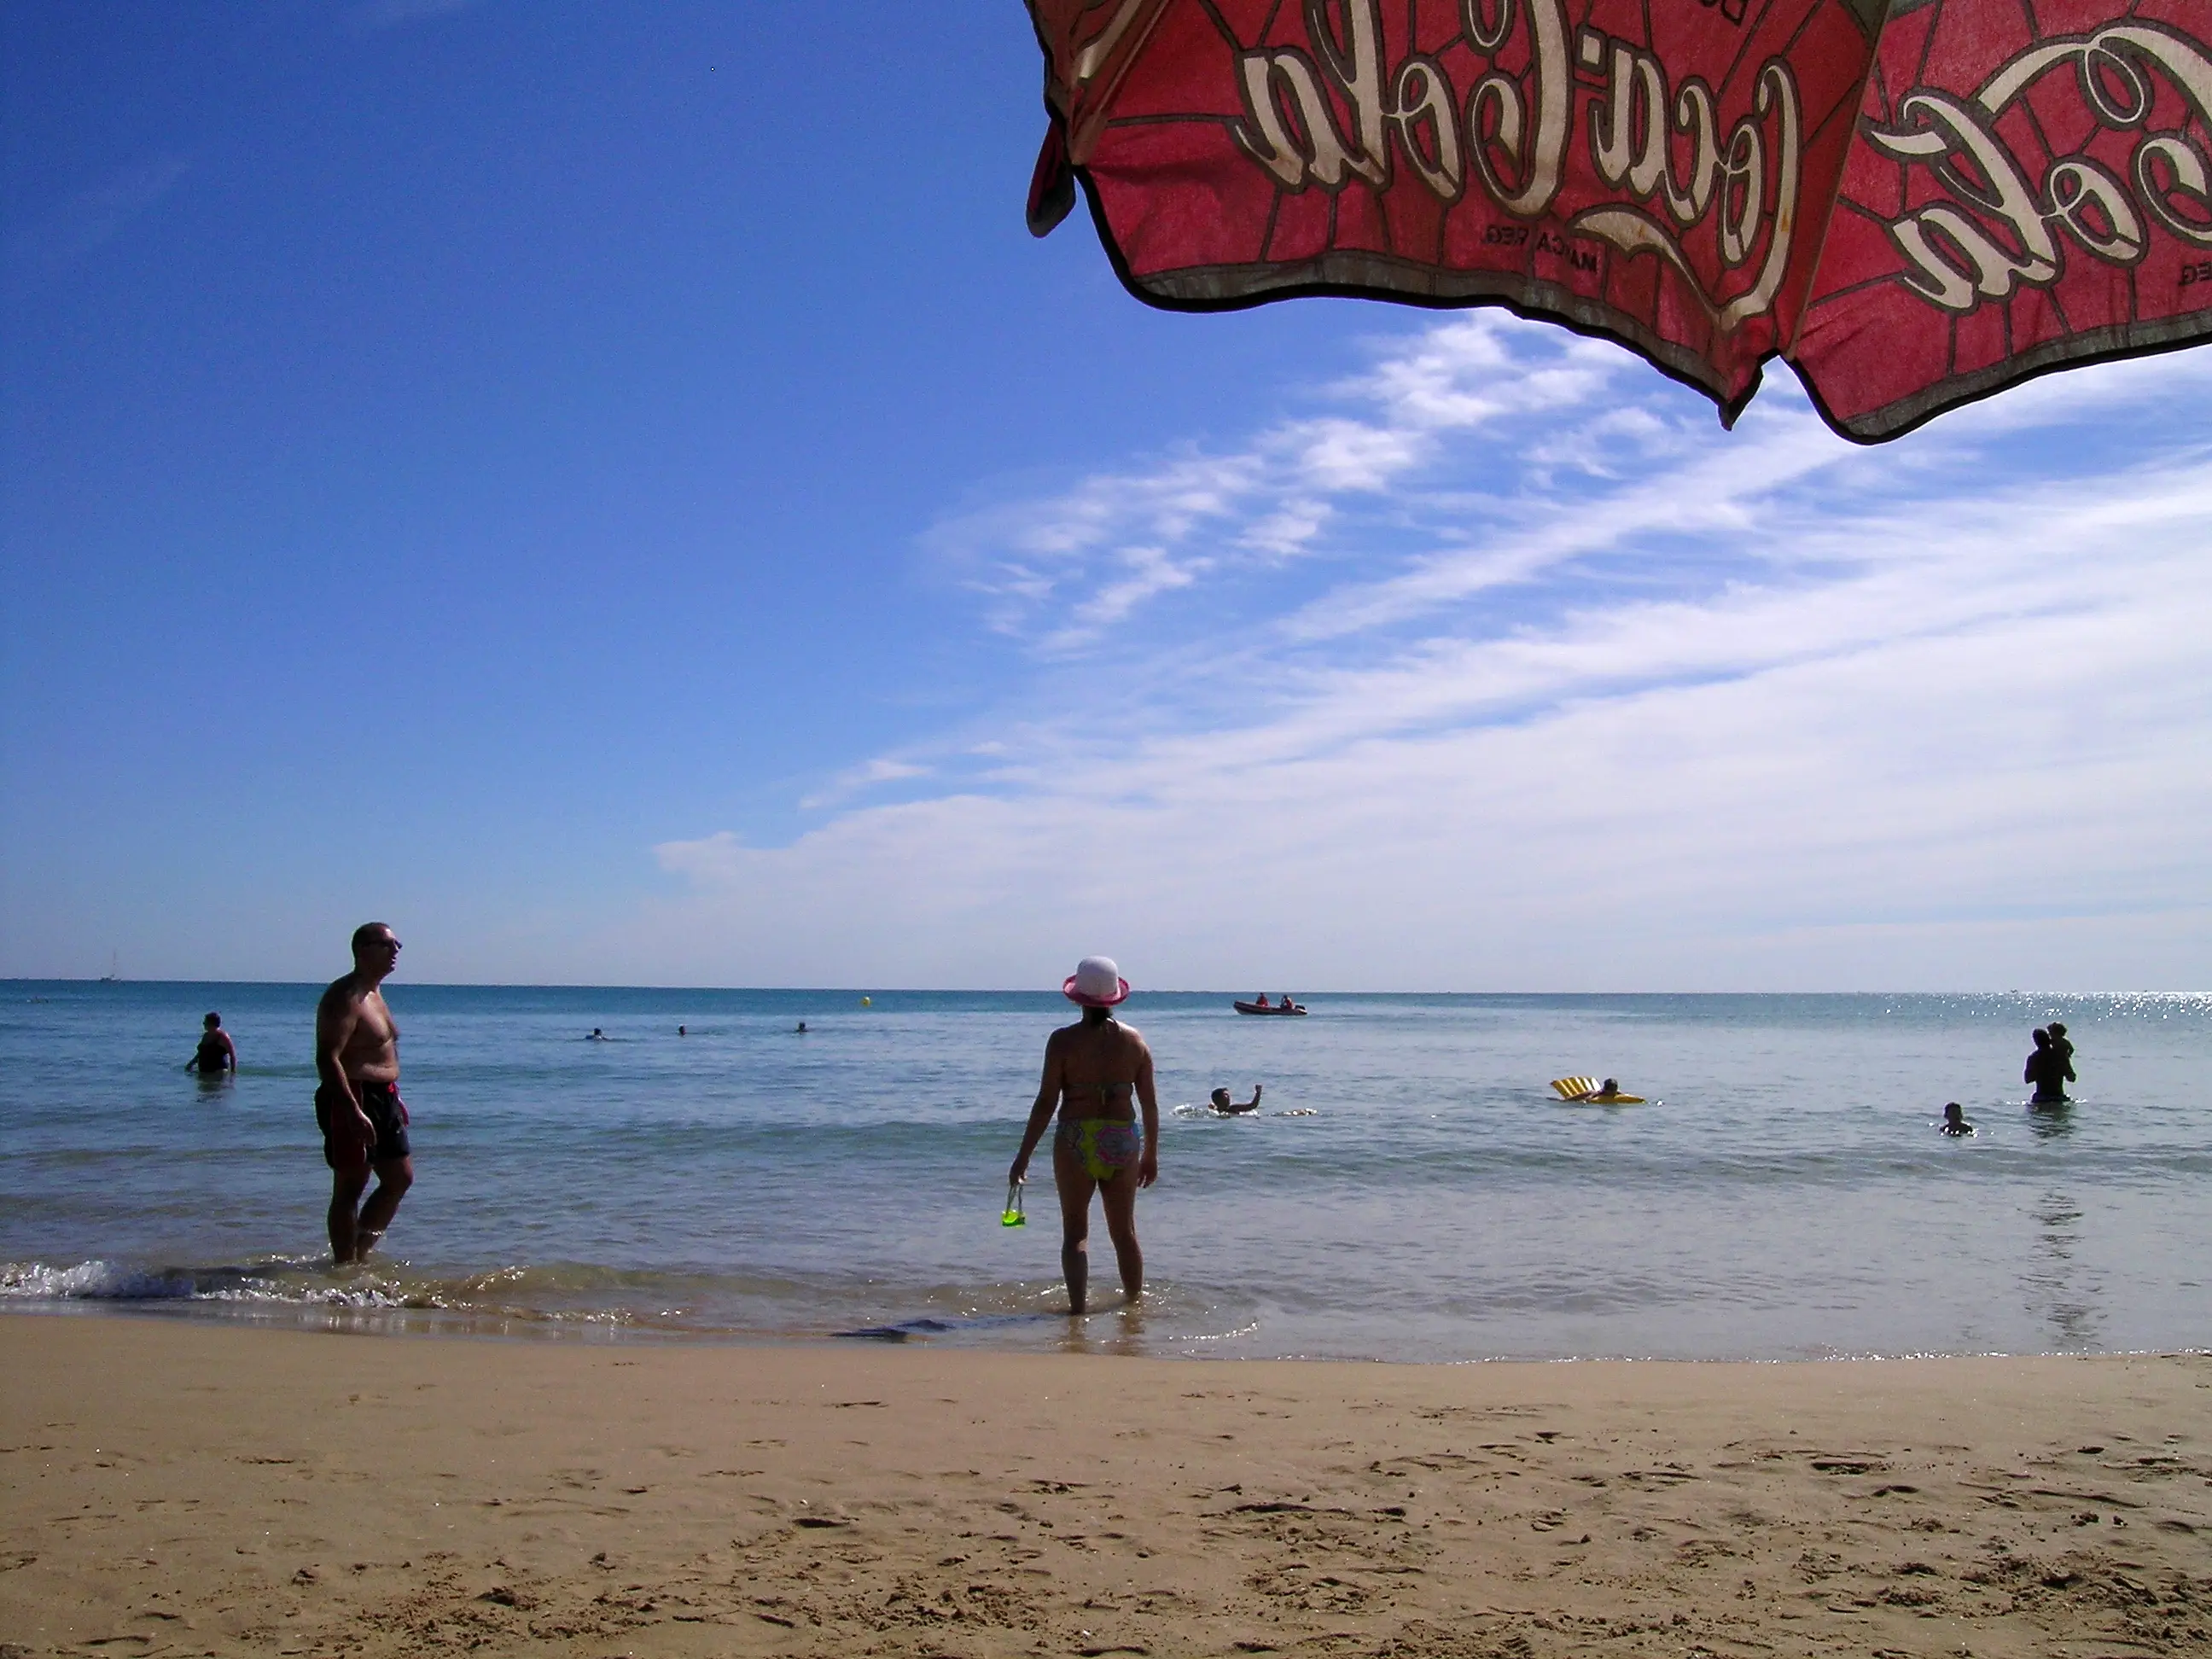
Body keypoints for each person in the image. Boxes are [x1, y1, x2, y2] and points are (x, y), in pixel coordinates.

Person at [1008, 956, 1159, 1314]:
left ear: (1078, 998)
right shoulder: (1135, 1042)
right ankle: (1134, 1311)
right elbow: (1149, 1104)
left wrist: (1023, 1156)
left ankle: (1077, 1314)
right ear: (1114, 997)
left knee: (1075, 1234)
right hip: (1122, 1138)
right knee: (1125, 1233)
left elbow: (1046, 1102)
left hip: (1075, 1138)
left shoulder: (1062, 1042)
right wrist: (1151, 1154)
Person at [315, 923, 412, 1264]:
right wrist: (352, 1110)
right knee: (350, 1187)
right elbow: (328, 1058)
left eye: (397, 944)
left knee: (399, 1179)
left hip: (383, 1096)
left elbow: (379, 1051)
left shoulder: (375, 994)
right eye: (387, 944)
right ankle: (344, 1266)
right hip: (353, 1095)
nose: (396, 950)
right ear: (362, 950)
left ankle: (359, 1252)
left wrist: (393, 1096)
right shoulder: (345, 996)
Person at [2025, 1027, 2073, 1104]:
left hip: (2041, 1098)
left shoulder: (2033, 1058)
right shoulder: (2060, 1056)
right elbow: (2071, 1078)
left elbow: (2028, 1079)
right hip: (2058, 1097)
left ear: (2036, 1042)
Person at [187, 1011, 236, 1075]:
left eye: (205, 1022)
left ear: (211, 1024)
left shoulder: (222, 1036)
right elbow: (201, 1053)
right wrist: (191, 1064)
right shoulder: (206, 1035)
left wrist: (232, 1074)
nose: (203, 1024)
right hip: (204, 1072)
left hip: (218, 1072)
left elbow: (232, 1055)